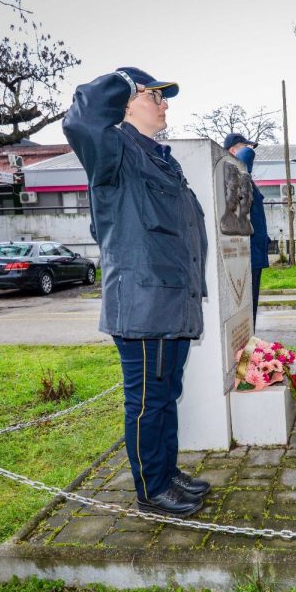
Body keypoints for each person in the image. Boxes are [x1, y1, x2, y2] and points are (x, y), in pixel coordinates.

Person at [63, 67, 211, 517]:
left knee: (166, 394)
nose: (165, 104)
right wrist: (126, 80)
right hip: (143, 303)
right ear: (127, 104)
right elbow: (80, 120)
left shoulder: (160, 157)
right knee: (147, 400)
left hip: (173, 301)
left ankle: (165, 472)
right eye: (155, 96)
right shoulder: (113, 148)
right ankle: (151, 489)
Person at [223, 134, 270, 329]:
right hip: (248, 252)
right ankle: (246, 354)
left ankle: (249, 353)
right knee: (246, 313)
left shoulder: (247, 180)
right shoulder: (237, 170)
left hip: (255, 252)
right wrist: (244, 150)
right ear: (233, 150)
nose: (251, 151)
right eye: (243, 146)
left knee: (249, 314)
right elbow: (245, 157)